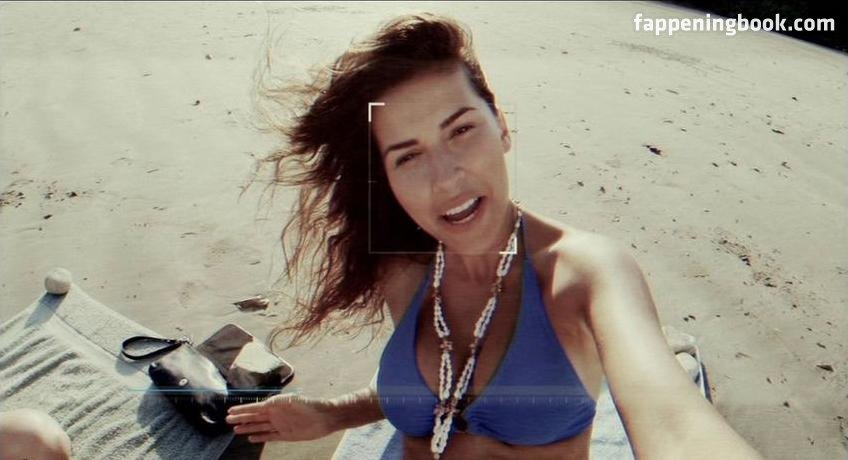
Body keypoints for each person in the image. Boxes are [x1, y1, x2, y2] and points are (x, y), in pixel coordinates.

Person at [227, 13, 762, 460]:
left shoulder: (586, 272)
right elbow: (437, 392)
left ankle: (675, 352)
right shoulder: (404, 267)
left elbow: (674, 426)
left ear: (501, 125)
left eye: (461, 130)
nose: (446, 179)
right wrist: (330, 414)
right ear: (386, 177)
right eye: (408, 156)